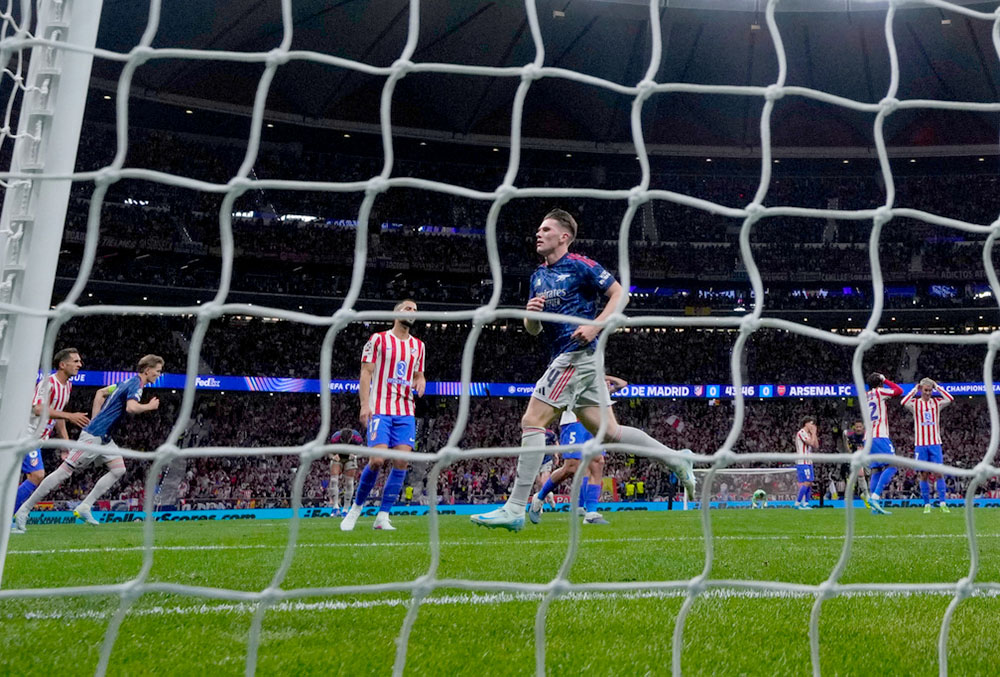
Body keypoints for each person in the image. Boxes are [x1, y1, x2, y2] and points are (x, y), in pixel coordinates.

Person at [470, 209, 695, 531]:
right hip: (568, 356)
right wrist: (530, 314)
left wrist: (595, 326)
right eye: (538, 228)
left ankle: (515, 507)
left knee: (532, 420)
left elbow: (620, 294)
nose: (538, 233)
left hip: (576, 354)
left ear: (564, 236)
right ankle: (676, 458)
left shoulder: (581, 265)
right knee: (609, 432)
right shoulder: (537, 277)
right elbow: (533, 330)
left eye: (546, 229)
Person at [13, 354, 163, 531]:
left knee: (119, 469)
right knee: (64, 472)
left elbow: (100, 393)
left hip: (104, 437)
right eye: (158, 371)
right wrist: (149, 407)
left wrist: (95, 419)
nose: (159, 375)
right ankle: (24, 510)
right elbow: (131, 407)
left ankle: (84, 506)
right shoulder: (136, 385)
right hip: (95, 436)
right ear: (147, 370)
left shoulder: (125, 383)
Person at [341, 299, 426, 531]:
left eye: (415, 310)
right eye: (408, 308)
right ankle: (356, 509)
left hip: (405, 410)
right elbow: (366, 373)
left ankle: (383, 516)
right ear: (396, 313)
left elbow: (419, 374)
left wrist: (420, 381)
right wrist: (364, 405)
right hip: (380, 408)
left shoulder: (419, 346)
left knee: (401, 461)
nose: (413, 312)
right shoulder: (378, 339)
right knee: (377, 460)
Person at [529, 375, 628, 526]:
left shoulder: (601, 386)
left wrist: (602, 377)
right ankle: (540, 496)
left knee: (598, 462)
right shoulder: (579, 376)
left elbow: (622, 384)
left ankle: (591, 513)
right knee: (571, 467)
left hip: (595, 424)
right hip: (574, 422)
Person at [11, 348, 90, 519]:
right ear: (62, 365)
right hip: (27, 435)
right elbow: (38, 408)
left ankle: (12, 514)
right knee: (37, 475)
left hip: (39, 439)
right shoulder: (49, 383)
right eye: (75, 361)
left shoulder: (68, 385)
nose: (80, 364)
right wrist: (70, 415)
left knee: (22, 477)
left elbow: (57, 414)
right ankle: (7, 514)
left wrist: (65, 444)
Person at [900, 377, 954, 514]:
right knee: (923, 475)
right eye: (925, 390)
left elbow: (950, 398)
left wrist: (937, 386)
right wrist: (914, 390)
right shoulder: (915, 404)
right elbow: (903, 402)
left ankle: (942, 503)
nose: (928, 393)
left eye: (930, 390)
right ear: (921, 390)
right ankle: (927, 505)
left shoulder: (936, 403)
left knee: (939, 473)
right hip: (921, 444)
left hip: (935, 443)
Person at [866, 371, 903, 515]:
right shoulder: (879, 392)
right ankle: (875, 498)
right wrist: (885, 379)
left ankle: (874, 509)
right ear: (879, 383)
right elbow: (899, 391)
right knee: (892, 466)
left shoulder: (866, 395)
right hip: (879, 435)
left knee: (877, 470)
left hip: (867, 437)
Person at [327, 427, 363, 517]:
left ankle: (346, 509)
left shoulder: (357, 438)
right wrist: (333, 457)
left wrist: (355, 456)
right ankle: (335, 507)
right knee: (334, 480)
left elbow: (363, 451)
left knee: (349, 483)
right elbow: (328, 451)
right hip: (338, 457)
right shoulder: (335, 438)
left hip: (350, 458)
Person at [842, 419, 871, 508]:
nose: (858, 429)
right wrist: (847, 447)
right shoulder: (851, 435)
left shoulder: (867, 435)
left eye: (860, 427)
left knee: (868, 475)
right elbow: (844, 434)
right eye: (857, 427)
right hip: (856, 457)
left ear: (863, 427)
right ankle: (866, 495)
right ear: (854, 427)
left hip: (866, 457)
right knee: (860, 475)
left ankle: (865, 493)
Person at [531, 429, 560, 513]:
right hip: (535, 460)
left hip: (547, 459)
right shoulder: (532, 433)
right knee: (539, 483)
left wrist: (556, 454)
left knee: (544, 483)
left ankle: (540, 507)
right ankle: (549, 494)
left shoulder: (550, 433)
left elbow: (556, 443)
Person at [793, 416, 819, 510]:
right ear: (806, 423)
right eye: (811, 423)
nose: (813, 426)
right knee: (806, 482)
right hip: (802, 461)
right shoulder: (801, 433)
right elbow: (811, 443)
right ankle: (797, 503)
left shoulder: (809, 434)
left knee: (810, 482)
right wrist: (814, 433)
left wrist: (813, 434)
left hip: (809, 461)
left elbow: (816, 445)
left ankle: (806, 503)